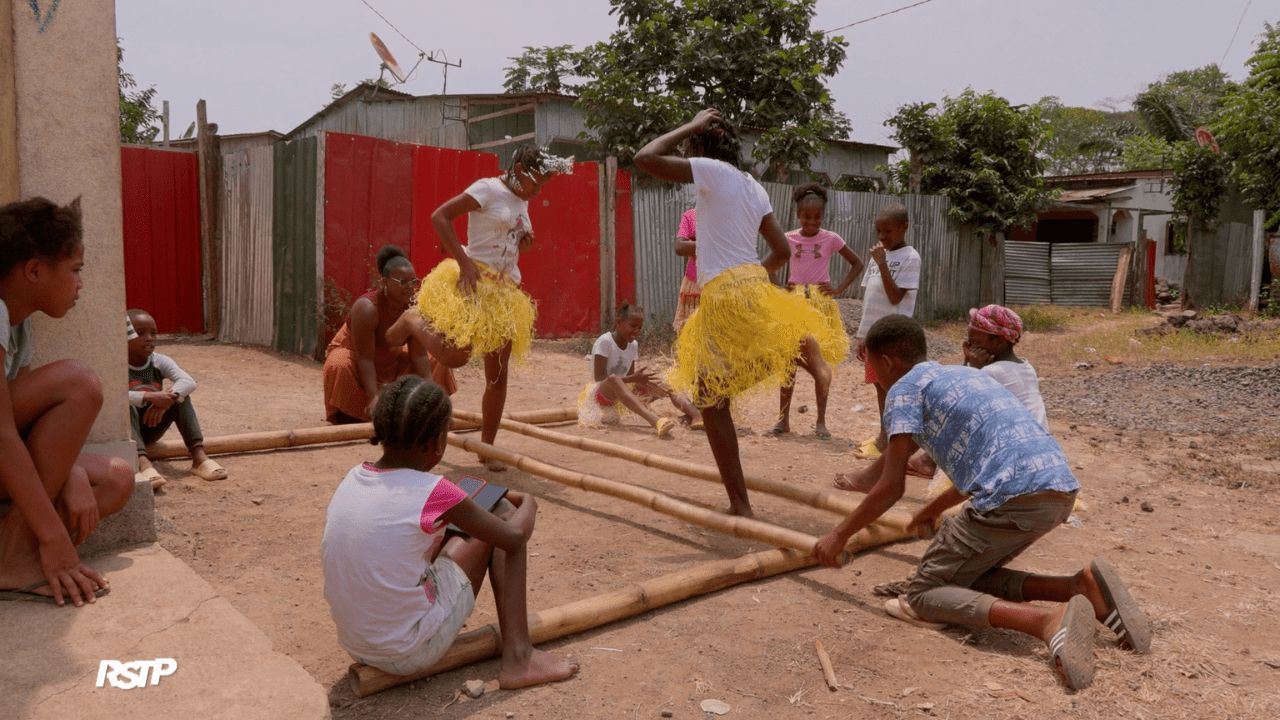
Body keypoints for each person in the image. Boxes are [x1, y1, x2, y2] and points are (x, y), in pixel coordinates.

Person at [813, 315, 1151, 691]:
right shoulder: (966, 376)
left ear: (888, 361)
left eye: (872, 365)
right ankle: (1080, 587)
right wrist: (932, 510)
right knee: (968, 576)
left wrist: (838, 536)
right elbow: (981, 461)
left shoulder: (903, 392)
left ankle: (1045, 623)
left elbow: (891, 487)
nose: (874, 375)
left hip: (1015, 497)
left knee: (923, 596)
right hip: (1058, 489)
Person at [633, 108, 841, 517]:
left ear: (701, 146)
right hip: (752, 285)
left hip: (724, 295)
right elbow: (782, 252)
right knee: (716, 396)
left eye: (693, 143)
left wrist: (690, 125)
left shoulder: (712, 170)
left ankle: (740, 504)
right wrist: (748, 281)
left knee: (711, 400)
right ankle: (794, 349)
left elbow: (646, 158)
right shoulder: (753, 186)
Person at [321, 375, 579, 688]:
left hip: (356, 643)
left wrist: (459, 502)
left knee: (445, 529)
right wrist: (529, 500)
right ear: (437, 441)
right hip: (405, 651)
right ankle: (520, 658)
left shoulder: (354, 477)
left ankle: (509, 651)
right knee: (504, 513)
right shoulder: (434, 492)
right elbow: (514, 538)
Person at [0, 197, 133, 607]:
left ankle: (9, 548)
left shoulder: (18, 328)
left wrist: (71, 469)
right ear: (35, 270)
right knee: (79, 383)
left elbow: (24, 427)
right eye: (75, 270)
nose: (81, 284)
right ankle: (16, 560)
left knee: (115, 478)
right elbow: (2, 433)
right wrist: (56, 540)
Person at [415, 146, 574, 472]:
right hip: (473, 284)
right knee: (454, 355)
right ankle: (411, 323)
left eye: (543, 185)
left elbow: (509, 242)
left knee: (497, 376)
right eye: (537, 183)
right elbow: (439, 217)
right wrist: (464, 263)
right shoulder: (486, 188)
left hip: (504, 295)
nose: (538, 190)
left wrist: (523, 244)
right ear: (519, 169)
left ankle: (487, 448)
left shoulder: (522, 201)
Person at [838, 304, 1049, 489]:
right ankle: (926, 462)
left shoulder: (991, 373)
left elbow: (954, 399)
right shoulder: (1025, 367)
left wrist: (973, 367)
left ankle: (878, 475)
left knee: (929, 416)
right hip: (1035, 456)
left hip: (1012, 462)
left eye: (974, 342)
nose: (969, 346)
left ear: (997, 342)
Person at [768, 183, 864, 439]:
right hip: (794, 304)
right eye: (806, 217)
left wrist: (839, 288)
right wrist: (779, 287)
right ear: (798, 215)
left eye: (817, 217)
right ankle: (782, 420)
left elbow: (857, 263)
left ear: (824, 216)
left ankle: (820, 422)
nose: (812, 222)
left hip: (821, 306)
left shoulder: (831, 239)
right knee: (788, 361)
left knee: (818, 363)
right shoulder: (787, 238)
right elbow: (768, 264)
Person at [323, 245, 456, 425]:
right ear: (384, 283)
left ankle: (419, 410)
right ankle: (354, 414)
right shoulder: (366, 308)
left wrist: (431, 395)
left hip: (391, 359)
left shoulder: (415, 306)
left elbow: (419, 355)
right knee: (340, 364)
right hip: (358, 358)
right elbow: (365, 360)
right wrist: (373, 398)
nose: (410, 287)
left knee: (437, 360)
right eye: (403, 282)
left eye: (413, 282)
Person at [848, 204, 920, 461]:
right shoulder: (877, 256)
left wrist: (882, 264)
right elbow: (870, 298)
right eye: (878, 231)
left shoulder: (911, 257)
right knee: (880, 387)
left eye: (888, 231)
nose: (882, 236)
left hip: (894, 336)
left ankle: (892, 442)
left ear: (904, 227)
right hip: (875, 336)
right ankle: (883, 437)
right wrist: (863, 334)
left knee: (894, 390)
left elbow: (894, 296)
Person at [127, 308, 226, 489]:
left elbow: (188, 381)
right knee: (125, 406)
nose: (149, 338)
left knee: (181, 398)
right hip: (128, 432)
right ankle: (142, 462)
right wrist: (149, 396)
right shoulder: (116, 364)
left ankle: (199, 458)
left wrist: (164, 404)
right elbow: (113, 397)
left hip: (151, 425)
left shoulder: (158, 361)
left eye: (154, 333)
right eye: (140, 333)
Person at [578, 301, 701, 435]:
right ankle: (655, 421)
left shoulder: (633, 345)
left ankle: (696, 415)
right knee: (613, 379)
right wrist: (633, 378)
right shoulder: (605, 341)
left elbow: (629, 380)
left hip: (622, 393)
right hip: (601, 394)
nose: (636, 331)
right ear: (618, 323)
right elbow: (599, 378)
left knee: (667, 383)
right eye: (633, 326)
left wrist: (644, 384)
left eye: (640, 328)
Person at [672, 207, 701, 332]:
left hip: (720, 283)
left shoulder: (728, 215)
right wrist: (712, 244)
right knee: (690, 332)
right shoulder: (691, 216)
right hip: (694, 284)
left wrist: (695, 244)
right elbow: (680, 247)